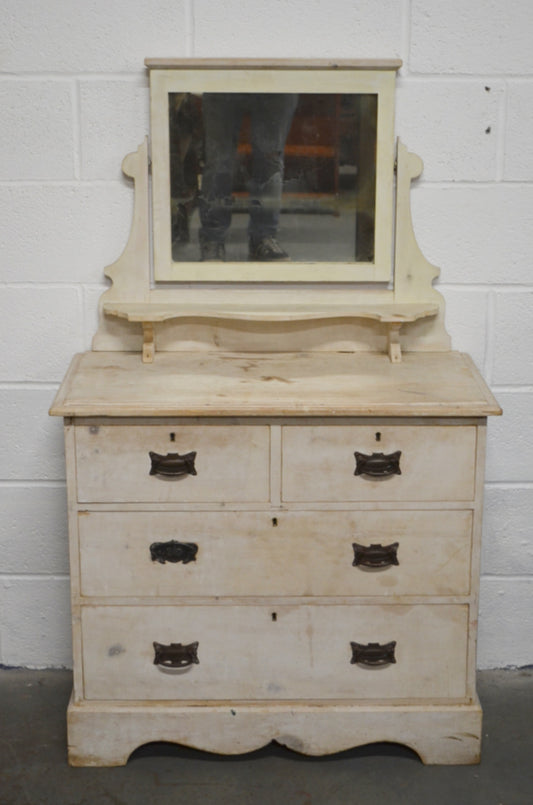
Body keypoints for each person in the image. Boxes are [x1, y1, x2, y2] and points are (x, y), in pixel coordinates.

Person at [198, 92, 298, 261]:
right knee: (218, 159)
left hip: (275, 83)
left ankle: (263, 237)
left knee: (270, 159)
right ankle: (213, 239)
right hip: (224, 79)